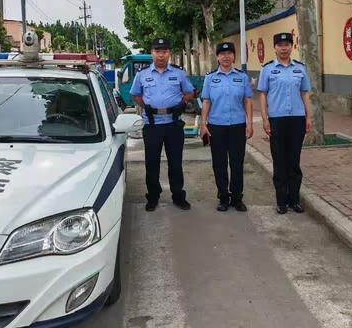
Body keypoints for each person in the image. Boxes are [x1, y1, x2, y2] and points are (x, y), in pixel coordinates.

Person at [130, 37, 195, 212]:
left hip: (173, 123)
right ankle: (153, 197)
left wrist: (181, 103)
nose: (161, 55)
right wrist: (146, 107)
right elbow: (135, 95)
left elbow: (190, 92)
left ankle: (178, 196)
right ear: (152, 53)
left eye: (164, 51)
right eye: (157, 51)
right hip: (152, 124)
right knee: (152, 163)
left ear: (169, 54)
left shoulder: (178, 73)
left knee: (175, 162)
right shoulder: (142, 75)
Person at [257, 33, 313, 214]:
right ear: (275, 48)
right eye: (280, 45)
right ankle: (281, 201)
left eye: (287, 44)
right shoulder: (267, 69)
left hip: (297, 119)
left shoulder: (300, 68)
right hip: (277, 120)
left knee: (294, 162)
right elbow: (263, 95)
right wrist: (265, 119)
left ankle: (294, 200)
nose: (283, 48)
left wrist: (309, 117)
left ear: (291, 46)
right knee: (279, 161)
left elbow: (305, 93)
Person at [200, 42, 253, 212]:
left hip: (238, 125)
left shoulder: (242, 77)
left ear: (234, 56)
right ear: (217, 57)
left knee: (237, 163)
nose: (226, 57)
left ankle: (237, 198)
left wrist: (249, 123)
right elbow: (206, 101)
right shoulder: (210, 78)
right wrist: (203, 124)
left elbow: (247, 100)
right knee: (219, 163)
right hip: (216, 126)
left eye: (230, 53)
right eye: (222, 54)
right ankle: (223, 197)